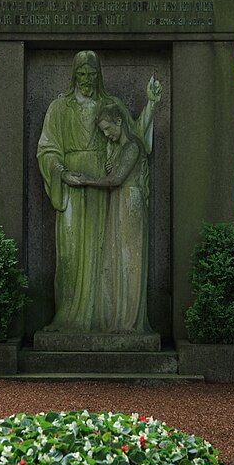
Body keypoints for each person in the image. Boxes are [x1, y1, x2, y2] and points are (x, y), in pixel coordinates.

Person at [37, 50, 161, 333]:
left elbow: (136, 139)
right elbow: (46, 149)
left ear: (99, 76)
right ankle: (67, 317)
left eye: (91, 75)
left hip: (105, 190)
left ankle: (100, 318)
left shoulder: (111, 105)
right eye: (81, 75)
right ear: (73, 76)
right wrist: (60, 170)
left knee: (104, 255)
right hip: (69, 187)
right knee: (70, 253)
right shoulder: (59, 108)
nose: (86, 80)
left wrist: (152, 105)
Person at [67, 101, 160, 333]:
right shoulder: (119, 149)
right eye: (103, 131)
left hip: (130, 203)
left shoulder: (132, 147)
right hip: (119, 202)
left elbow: (116, 180)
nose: (107, 134)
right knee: (117, 260)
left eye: (108, 128)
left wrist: (84, 180)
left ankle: (130, 322)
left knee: (130, 261)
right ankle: (118, 320)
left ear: (119, 121)